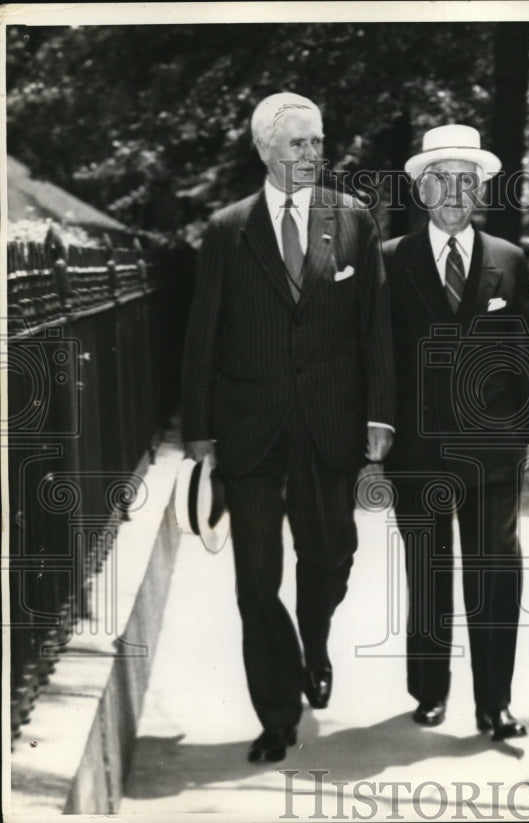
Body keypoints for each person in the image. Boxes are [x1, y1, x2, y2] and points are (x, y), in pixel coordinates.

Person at [182, 92, 394, 763]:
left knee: (330, 554)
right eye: (298, 144)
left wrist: (380, 414)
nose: (312, 154)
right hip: (251, 427)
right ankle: (276, 712)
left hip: (331, 423)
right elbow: (202, 331)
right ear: (267, 150)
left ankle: (316, 637)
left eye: (318, 141)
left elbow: (375, 328)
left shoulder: (353, 217)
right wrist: (199, 428)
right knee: (255, 576)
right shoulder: (228, 227)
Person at [381, 124, 529, 741]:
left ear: (480, 190)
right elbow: (378, 355)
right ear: (421, 189)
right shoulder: (390, 260)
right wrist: (376, 425)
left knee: (495, 570)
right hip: (417, 448)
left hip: (493, 446)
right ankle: (429, 692)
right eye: (441, 180)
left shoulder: (508, 259)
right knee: (427, 569)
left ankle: (494, 704)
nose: (454, 192)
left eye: (466, 181)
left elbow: (527, 348)